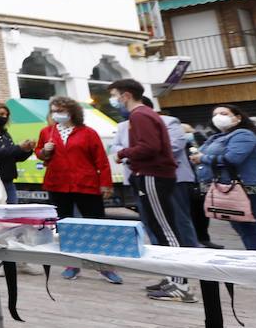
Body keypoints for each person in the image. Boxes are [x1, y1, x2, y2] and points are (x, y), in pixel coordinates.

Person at [109, 79, 193, 302]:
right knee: (158, 226)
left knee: (166, 229)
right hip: (151, 174)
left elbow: (149, 147)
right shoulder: (142, 115)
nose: (114, 100)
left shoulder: (140, 115)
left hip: (153, 175)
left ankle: (181, 284)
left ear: (126, 95)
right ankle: (172, 278)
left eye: (115, 95)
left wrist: (123, 153)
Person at [36, 96, 121, 284]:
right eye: (54, 111)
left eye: (61, 110)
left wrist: (106, 183)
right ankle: (72, 263)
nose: (57, 114)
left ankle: (104, 265)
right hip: (58, 184)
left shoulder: (88, 133)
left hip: (86, 184)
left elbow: (101, 160)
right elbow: (41, 155)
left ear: (72, 112)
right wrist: (44, 151)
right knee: (65, 225)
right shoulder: (47, 132)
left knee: (96, 224)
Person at [192, 104, 256, 251]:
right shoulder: (217, 137)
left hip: (246, 189)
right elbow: (198, 154)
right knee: (250, 228)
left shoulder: (243, 135)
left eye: (224, 113)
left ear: (237, 117)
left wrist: (203, 159)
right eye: (215, 114)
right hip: (234, 189)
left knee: (249, 229)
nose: (218, 117)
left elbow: (232, 159)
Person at [184, 124, 223, 248]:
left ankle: (203, 238)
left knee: (201, 211)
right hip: (185, 181)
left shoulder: (197, 145)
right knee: (191, 212)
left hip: (199, 181)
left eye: (190, 132)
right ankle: (194, 240)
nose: (189, 135)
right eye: (186, 133)